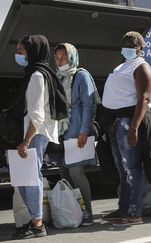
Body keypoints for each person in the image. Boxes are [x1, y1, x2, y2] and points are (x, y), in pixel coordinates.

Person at [13, 35, 65, 239]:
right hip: (34, 132)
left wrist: (26, 141)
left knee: (30, 178)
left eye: (21, 51)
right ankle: (34, 220)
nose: (18, 55)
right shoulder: (37, 73)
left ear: (33, 52)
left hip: (34, 133)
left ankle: (37, 223)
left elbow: (37, 113)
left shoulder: (36, 76)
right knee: (22, 178)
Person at [101, 31, 151, 225]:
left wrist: (134, 128)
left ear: (140, 48)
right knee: (122, 170)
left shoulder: (142, 68)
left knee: (132, 168)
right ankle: (123, 208)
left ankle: (135, 213)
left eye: (132, 45)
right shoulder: (123, 65)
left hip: (128, 123)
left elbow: (144, 99)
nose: (127, 48)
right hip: (116, 123)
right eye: (125, 44)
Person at [54, 43, 97, 226]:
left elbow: (88, 105)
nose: (60, 61)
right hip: (61, 132)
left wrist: (84, 131)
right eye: (57, 58)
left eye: (64, 57)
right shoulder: (57, 77)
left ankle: (88, 212)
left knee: (76, 172)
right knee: (64, 172)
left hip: (77, 132)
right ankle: (73, 211)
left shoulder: (81, 75)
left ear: (72, 57)